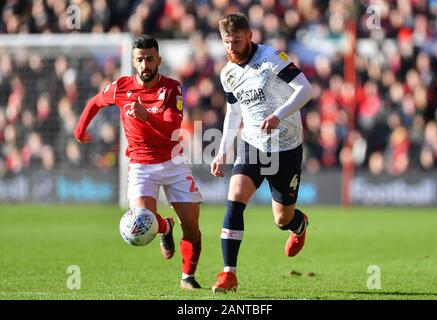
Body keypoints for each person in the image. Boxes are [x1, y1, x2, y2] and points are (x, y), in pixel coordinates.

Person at [73, 35, 203, 290]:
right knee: (144, 219)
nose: (145, 65)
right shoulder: (121, 87)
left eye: (150, 59)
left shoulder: (171, 88)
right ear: (134, 61)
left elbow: (172, 128)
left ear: (159, 60)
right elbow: (95, 102)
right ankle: (165, 228)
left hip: (173, 162)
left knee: (192, 226)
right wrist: (80, 129)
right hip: (141, 166)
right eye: (140, 60)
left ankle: (187, 278)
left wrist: (146, 117)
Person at [210, 13, 314, 293]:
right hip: (253, 145)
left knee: (282, 219)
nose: (231, 47)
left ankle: (299, 224)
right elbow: (233, 112)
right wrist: (222, 151)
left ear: (250, 36)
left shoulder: (271, 59)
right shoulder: (228, 73)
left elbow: (306, 89)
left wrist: (279, 115)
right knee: (235, 196)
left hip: (287, 147)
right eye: (226, 42)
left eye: (237, 41)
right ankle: (228, 273)